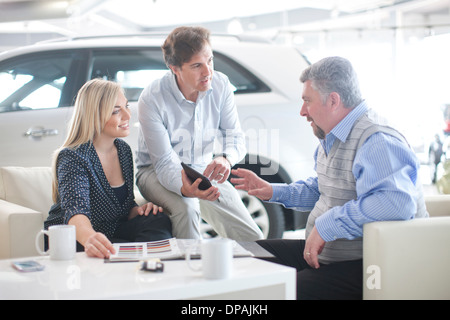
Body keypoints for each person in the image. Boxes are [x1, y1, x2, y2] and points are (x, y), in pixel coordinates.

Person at [231, 56, 428, 299]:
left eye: (307, 101)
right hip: (323, 255)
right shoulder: (332, 136)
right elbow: (323, 188)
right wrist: (273, 191)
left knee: (275, 293)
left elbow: (395, 203)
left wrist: (327, 225)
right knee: (241, 254)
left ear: (333, 100)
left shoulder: (377, 141)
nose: (302, 111)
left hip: (364, 265)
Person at [135, 26, 263, 241]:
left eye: (210, 61)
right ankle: (190, 269)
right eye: (197, 66)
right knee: (187, 207)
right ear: (174, 68)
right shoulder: (152, 98)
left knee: (252, 236)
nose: (208, 72)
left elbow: (235, 137)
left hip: (202, 169)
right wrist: (186, 190)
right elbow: (165, 162)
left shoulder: (221, 85)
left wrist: (226, 158)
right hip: (154, 172)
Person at [44, 79, 172, 259]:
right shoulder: (73, 157)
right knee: (132, 248)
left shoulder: (123, 150)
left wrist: (138, 211)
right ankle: (143, 262)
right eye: (115, 111)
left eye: (126, 107)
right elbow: (76, 213)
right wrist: (91, 238)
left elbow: (124, 206)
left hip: (112, 231)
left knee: (157, 220)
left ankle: (150, 262)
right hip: (78, 238)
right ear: (94, 115)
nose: (128, 116)